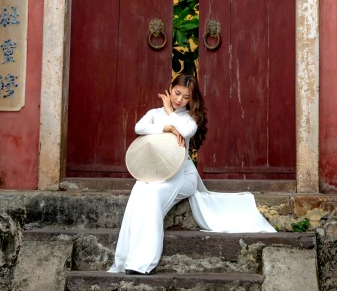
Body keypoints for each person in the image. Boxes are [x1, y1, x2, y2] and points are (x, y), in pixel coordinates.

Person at [109, 73, 276, 275]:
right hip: (156, 172)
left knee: (152, 196)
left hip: (182, 175)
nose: (179, 99)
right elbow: (139, 128)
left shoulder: (190, 119)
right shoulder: (154, 113)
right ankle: (127, 259)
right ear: (170, 88)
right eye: (177, 93)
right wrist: (167, 126)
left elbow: (185, 132)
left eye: (185, 97)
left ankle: (143, 263)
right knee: (139, 192)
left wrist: (171, 113)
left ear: (191, 99)